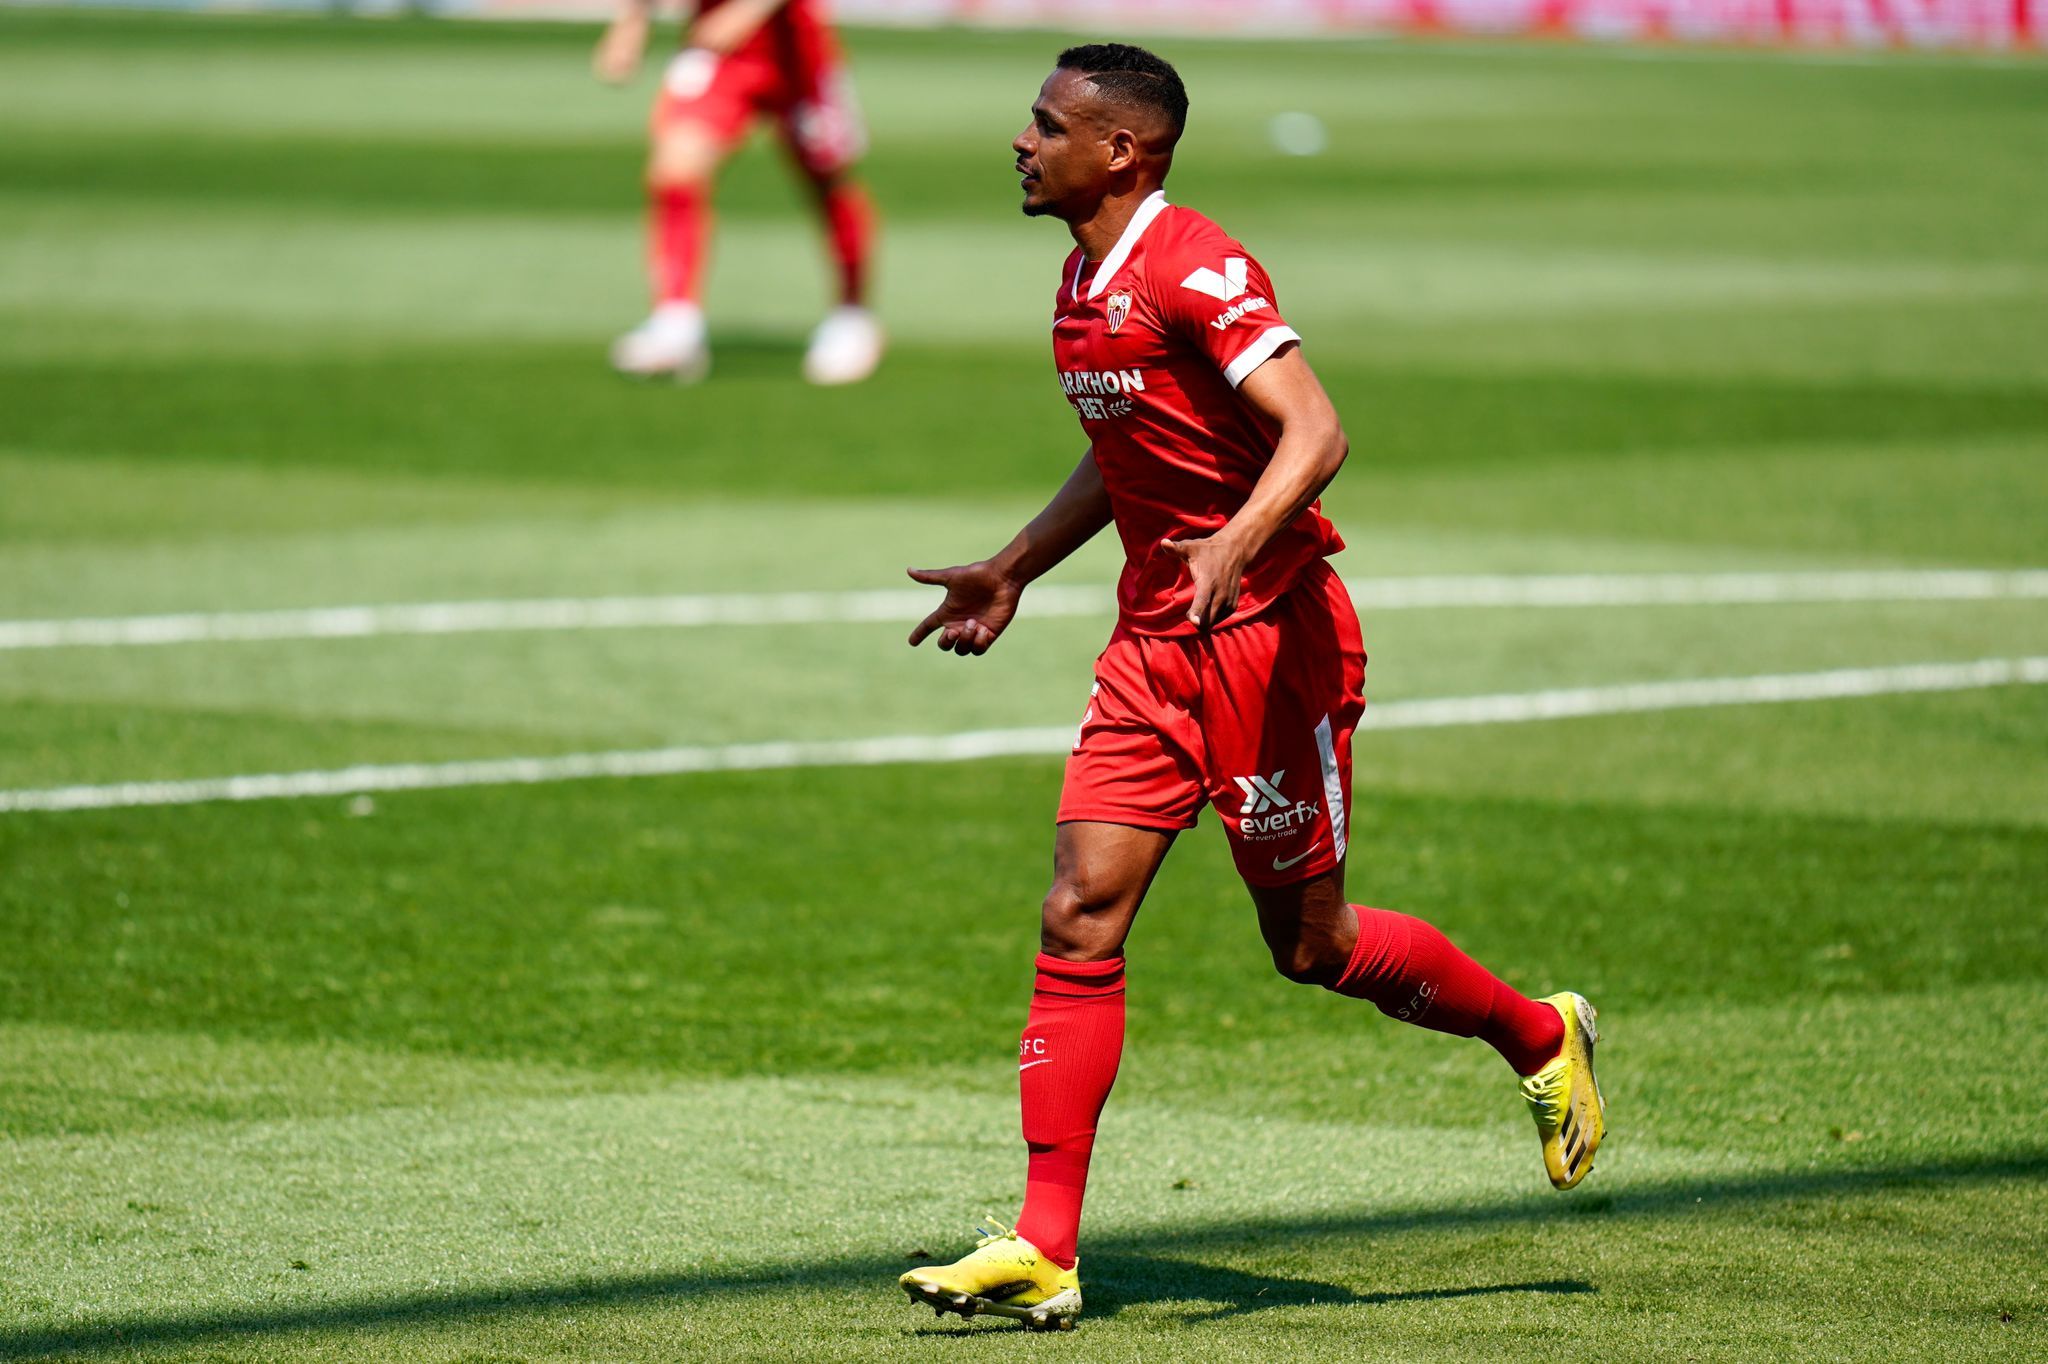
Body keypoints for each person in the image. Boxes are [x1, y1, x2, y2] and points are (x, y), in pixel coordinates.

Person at [896, 44, 1606, 1332]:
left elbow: (1315, 429)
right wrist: (1013, 566)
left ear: (1122, 150)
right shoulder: (1081, 278)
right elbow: (1127, 451)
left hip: (1270, 645)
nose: (1021, 141)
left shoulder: (1195, 265)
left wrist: (1235, 540)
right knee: (1077, 911)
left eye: (1045, 124)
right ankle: (1043, 1245)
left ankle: (1536, 1033)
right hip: (1152, 647)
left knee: (1309, 946)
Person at [593, 0, 883, 384]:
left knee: (827, 177)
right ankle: (675, 323)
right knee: (675, 169)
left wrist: (746, 10)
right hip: (720, 51)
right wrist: (632, 22)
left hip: (796, 50)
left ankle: (851, 315)